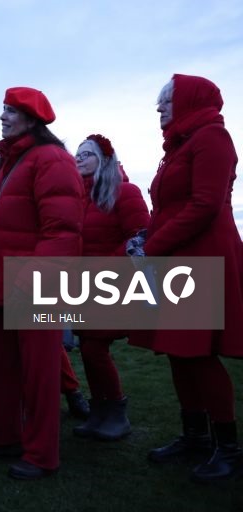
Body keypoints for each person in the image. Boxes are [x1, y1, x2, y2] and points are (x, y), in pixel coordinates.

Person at [129, 74, 243, 482]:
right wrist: (147, 236)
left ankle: (228, 448)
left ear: (191, 101)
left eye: (167, 100)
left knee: (198, 353)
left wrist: (152, 247)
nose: (159, 108)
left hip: (201, 256)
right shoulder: (181, 146)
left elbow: (205, 205)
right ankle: (195, 436)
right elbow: (171, 208)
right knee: (178, 351)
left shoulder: (212, 137)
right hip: (178, 256)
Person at [0, 87, 84, 480]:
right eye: (2, 109)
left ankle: (42, 455)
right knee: (2, 367)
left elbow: (62, 230)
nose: (2, 117)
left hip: (38, 286)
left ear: (31, 118)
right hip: (7, 283)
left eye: (10, 111)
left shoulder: (51, 159)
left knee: (40, 375)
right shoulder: (15, 160)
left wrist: (35, 280)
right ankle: (3, 435)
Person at [68, 134, 149, 441]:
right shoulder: (78, 198)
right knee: (87, 347)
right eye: (77, 154)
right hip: (83, 286)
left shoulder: (125, 191)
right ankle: (100, 411)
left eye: (87, 153)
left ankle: (115, 412)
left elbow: (140, 236)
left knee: (94, 348)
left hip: (111, 283)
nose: (79, 158)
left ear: (104, 159)